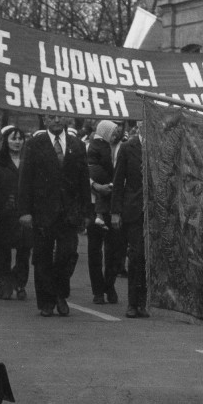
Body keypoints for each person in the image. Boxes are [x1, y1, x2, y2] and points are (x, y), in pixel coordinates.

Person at [18, 115, 91, 317]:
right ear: (45, 120)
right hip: (42, 211)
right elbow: (25, 178)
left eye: (60, 117)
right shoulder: (35, 144)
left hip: (69, 212)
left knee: (67, 254)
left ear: (66, 119)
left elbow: (84, 179)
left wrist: (86, 211)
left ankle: (61, 293)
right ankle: (46, 301)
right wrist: (24, 211)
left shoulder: (77, 145)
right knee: (42, 256)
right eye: (52, 117)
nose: (56, 120)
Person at [111, 122, 149, 318]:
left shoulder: (160, 148)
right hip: (133, 209)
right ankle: (133, 303)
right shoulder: (128, 147)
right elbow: (118, 181)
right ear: (139, 126)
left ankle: (143, 303)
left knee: (147, 258)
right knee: (136, 255)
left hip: (153, 211)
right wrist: (115, 211)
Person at [0, 125, 32, 301]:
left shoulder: (29, 161)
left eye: (20, 138)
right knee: (4, 252)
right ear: (6, 141)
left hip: (25, 213)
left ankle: (19, 282)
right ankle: (4, 285)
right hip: (4, 214)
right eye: (13, 138)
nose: (17, 142)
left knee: (24, 251)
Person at [87, 120, 125, 304]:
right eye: (112, 131)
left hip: (113, 204)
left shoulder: (120, 147)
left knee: (114, 250)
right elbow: (89, 172)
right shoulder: (93, 147)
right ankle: (99, 290)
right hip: (95, 204)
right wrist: (98, 185)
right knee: (96, 250)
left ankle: (108, 284)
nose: (115, 134)